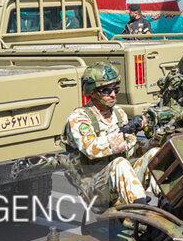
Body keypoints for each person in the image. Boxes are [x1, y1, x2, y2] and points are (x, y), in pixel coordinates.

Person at [63, 65, 159, 211]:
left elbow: (131, 149)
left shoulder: (119, 114)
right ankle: (141, 212)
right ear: (92, 92)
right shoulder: (79, 118)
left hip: (120, 180)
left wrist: (152, 142)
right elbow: (91, 149)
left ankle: (168, 201)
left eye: (115, 90)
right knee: (119, 163)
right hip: (94, 186)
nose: (113, 95)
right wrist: (124, 132)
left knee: (156, 153)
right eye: (106, 91)